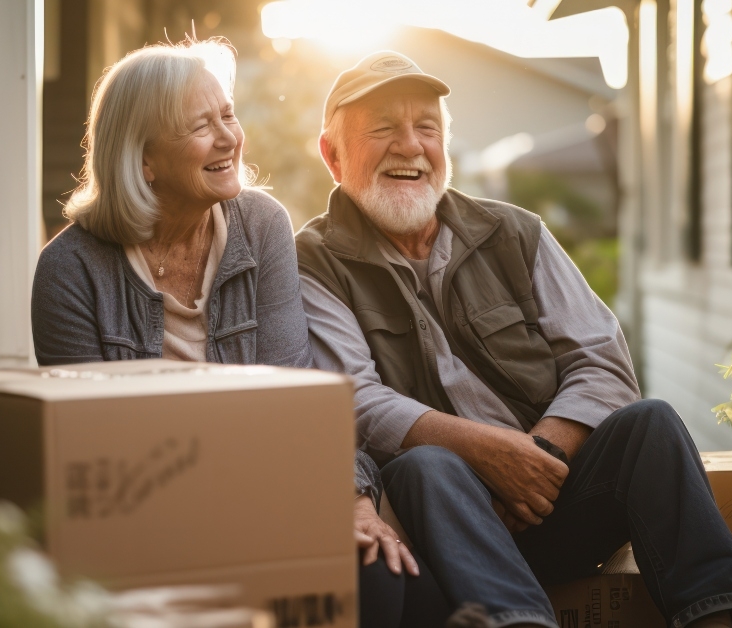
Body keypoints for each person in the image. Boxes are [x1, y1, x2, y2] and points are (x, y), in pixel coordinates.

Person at [296, 51, 732, 628]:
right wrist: (490, 456)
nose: (411, 146)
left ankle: (719, 617)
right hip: (444, 533)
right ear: (333, 155)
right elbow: (355, 400)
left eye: (427, 128)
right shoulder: (313, 263)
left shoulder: (515, 232)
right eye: (383, 129)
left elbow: (603, 359)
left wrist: (536, 460)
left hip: (552, 498)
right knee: (428, 468)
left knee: (652, 422)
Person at [30, 40, 448, 628]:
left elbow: (296, 394)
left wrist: (351, 500)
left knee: (395, 579)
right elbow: (90, 455)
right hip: (147, 521)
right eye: (202, 125)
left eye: (228, 114)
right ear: (142, 158)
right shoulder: (70, 271)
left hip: (269, 496)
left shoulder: (260, 224)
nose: (229, 137)